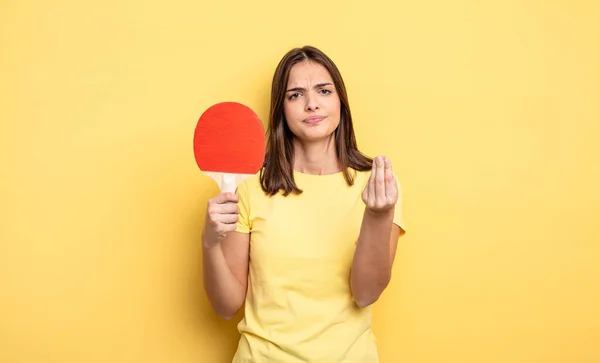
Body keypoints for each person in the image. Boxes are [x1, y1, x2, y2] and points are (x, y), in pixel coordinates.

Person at [202, 45, 406, 362]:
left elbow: (365, 294)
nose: (312, 104)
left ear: (341, 101)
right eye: (295, 95)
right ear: (281, 108)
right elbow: (225, 306)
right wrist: (210, 242)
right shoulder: (251, 187)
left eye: (323, 91)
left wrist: (378, 216)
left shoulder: (377, 185)